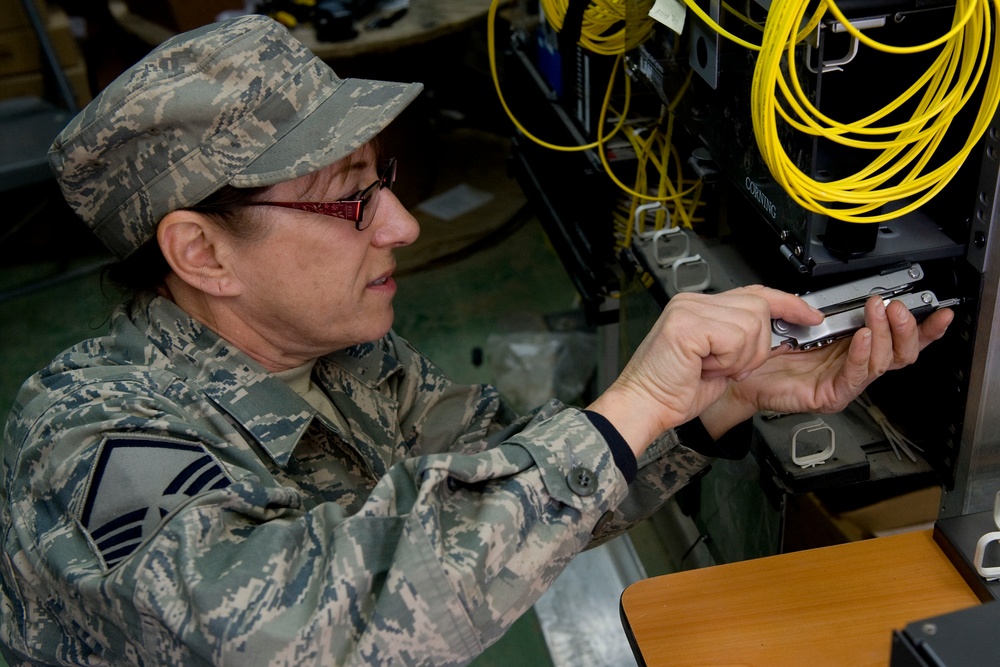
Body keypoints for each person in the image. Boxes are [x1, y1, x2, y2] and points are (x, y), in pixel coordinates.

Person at [0, 14, 952, 667]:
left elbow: (516, 478)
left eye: (384, 177)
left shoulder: (343, 358)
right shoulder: (87, 437)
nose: (402, 226)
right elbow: (295, 632)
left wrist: (717, 400)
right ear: (201, 251)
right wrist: (636, 404)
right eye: (347, 197)